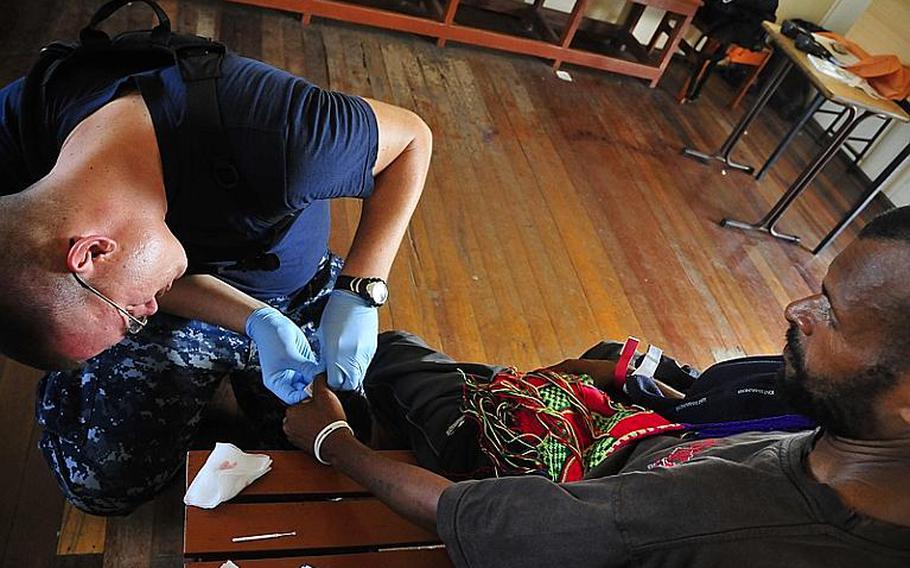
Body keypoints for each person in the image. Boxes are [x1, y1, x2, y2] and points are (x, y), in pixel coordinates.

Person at [284, 206, 910, 567]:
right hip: (633, 436)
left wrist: (334, 442)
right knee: (494, 373)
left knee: (396, 357)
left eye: (832, 314)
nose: (798, 309)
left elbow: (463, 512)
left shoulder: (712, 516)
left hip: (563, 474)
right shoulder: (842, 440)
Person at [0, 38, 431, 512]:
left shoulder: (283, 138)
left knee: (339, 447)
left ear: (95, 251)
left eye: (131, 317)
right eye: (126, 320)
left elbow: (412, 139)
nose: (145, 314)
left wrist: (360, 289)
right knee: (99, 486)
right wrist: (252, 320)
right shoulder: (21, 127)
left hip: (292, 290)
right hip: (187, 299)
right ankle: (84, 363)